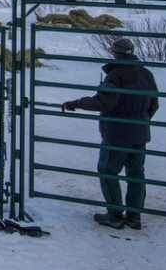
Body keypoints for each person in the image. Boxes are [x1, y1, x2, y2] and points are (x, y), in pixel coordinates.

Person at [62, 38, 159, 230]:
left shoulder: (116, 76)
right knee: (136, 174)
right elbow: (154, 103)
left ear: (114, 52)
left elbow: (103, 102)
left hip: (117, 133)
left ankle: (114, 215)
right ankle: (134, 216)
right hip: (140, 132)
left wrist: (76, 103)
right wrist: (142, 120)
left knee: (108, 171)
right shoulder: (146, 73)